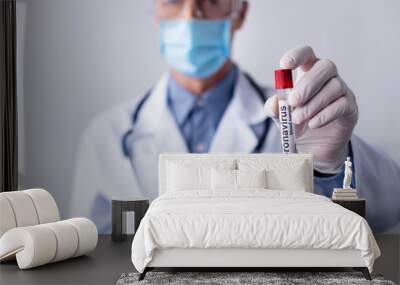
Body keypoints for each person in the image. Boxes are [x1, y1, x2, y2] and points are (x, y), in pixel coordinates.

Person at [70, 0, 400, 233]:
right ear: (155, 13)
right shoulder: (108, 134)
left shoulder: (294, 115)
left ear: (239, 11)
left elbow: (389, 211)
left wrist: (330, 165)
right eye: (172, 0)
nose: (191, 15)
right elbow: (88, 243)